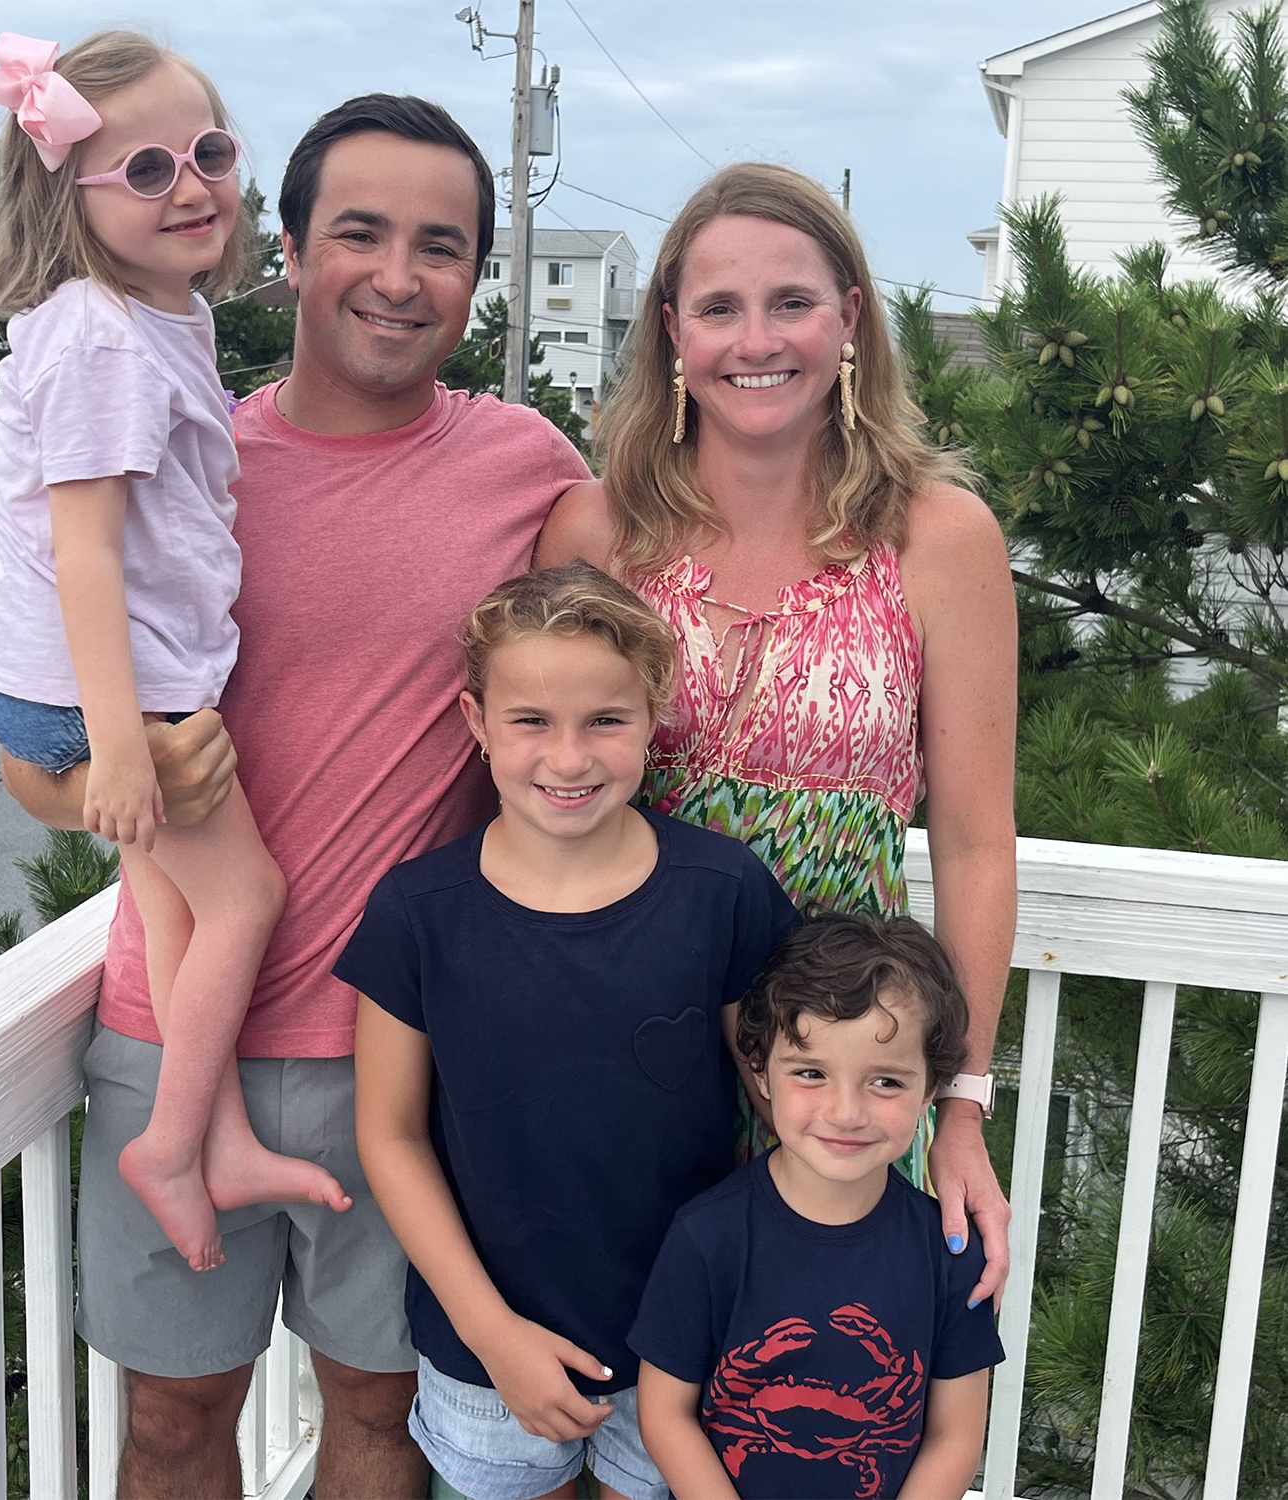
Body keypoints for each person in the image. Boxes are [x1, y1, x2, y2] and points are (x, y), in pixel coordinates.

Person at [0, 94, 594, 1499]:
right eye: (361, 233)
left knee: (377, 1419)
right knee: (171, 1423)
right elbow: (32, 761)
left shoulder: (531, 471)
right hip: (169, 1033)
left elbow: (637, 674)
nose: (399, 275)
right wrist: (97, 773)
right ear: (288, 246)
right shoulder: (178, 449)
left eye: (441, 245)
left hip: (399, 1051)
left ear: (477, 275)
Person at [536, 163, 1017, 1305]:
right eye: (719, 308)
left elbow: (975, 840)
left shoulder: (939, 538)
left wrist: (960, 1100)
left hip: (840, 1069)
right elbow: (526, 791)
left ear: (850, 315)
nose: (758, 340)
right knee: (597, 1389)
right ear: (671, 331)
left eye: (792, 302)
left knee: (796, 1392)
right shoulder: (598, 529)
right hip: (620, 1045)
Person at [0, 30, 350, 1275]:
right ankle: (176, 1146)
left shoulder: (150, 315)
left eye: (210, 152)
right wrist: (120, 752)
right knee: (246, 895)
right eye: (143, 170)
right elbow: (86, 554)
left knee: (178, 899)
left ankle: (210, 1129)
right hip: (86, 693)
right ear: (66, 194)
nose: (190, 185)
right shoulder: (106, 342)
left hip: (96, 681)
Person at [347, 564, 799, 1500]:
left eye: (605, 721)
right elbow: (388, 1133)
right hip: (489, 1349)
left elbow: (780, 1106)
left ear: (653, 717)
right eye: (530, 723)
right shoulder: (417, 913)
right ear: (475, 723)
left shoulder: (723, 892)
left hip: (684, 1339)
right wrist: (491, 1333)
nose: (569, 757)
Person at [629, 911, 1004, 1500]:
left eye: (886, 1081)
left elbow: (955, 1436)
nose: (846, 1112)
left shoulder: (951, 1255)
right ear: (762, 1072)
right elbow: (664, 1415)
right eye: (811, 1072)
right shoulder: (707, 1238)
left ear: (932, 1086)